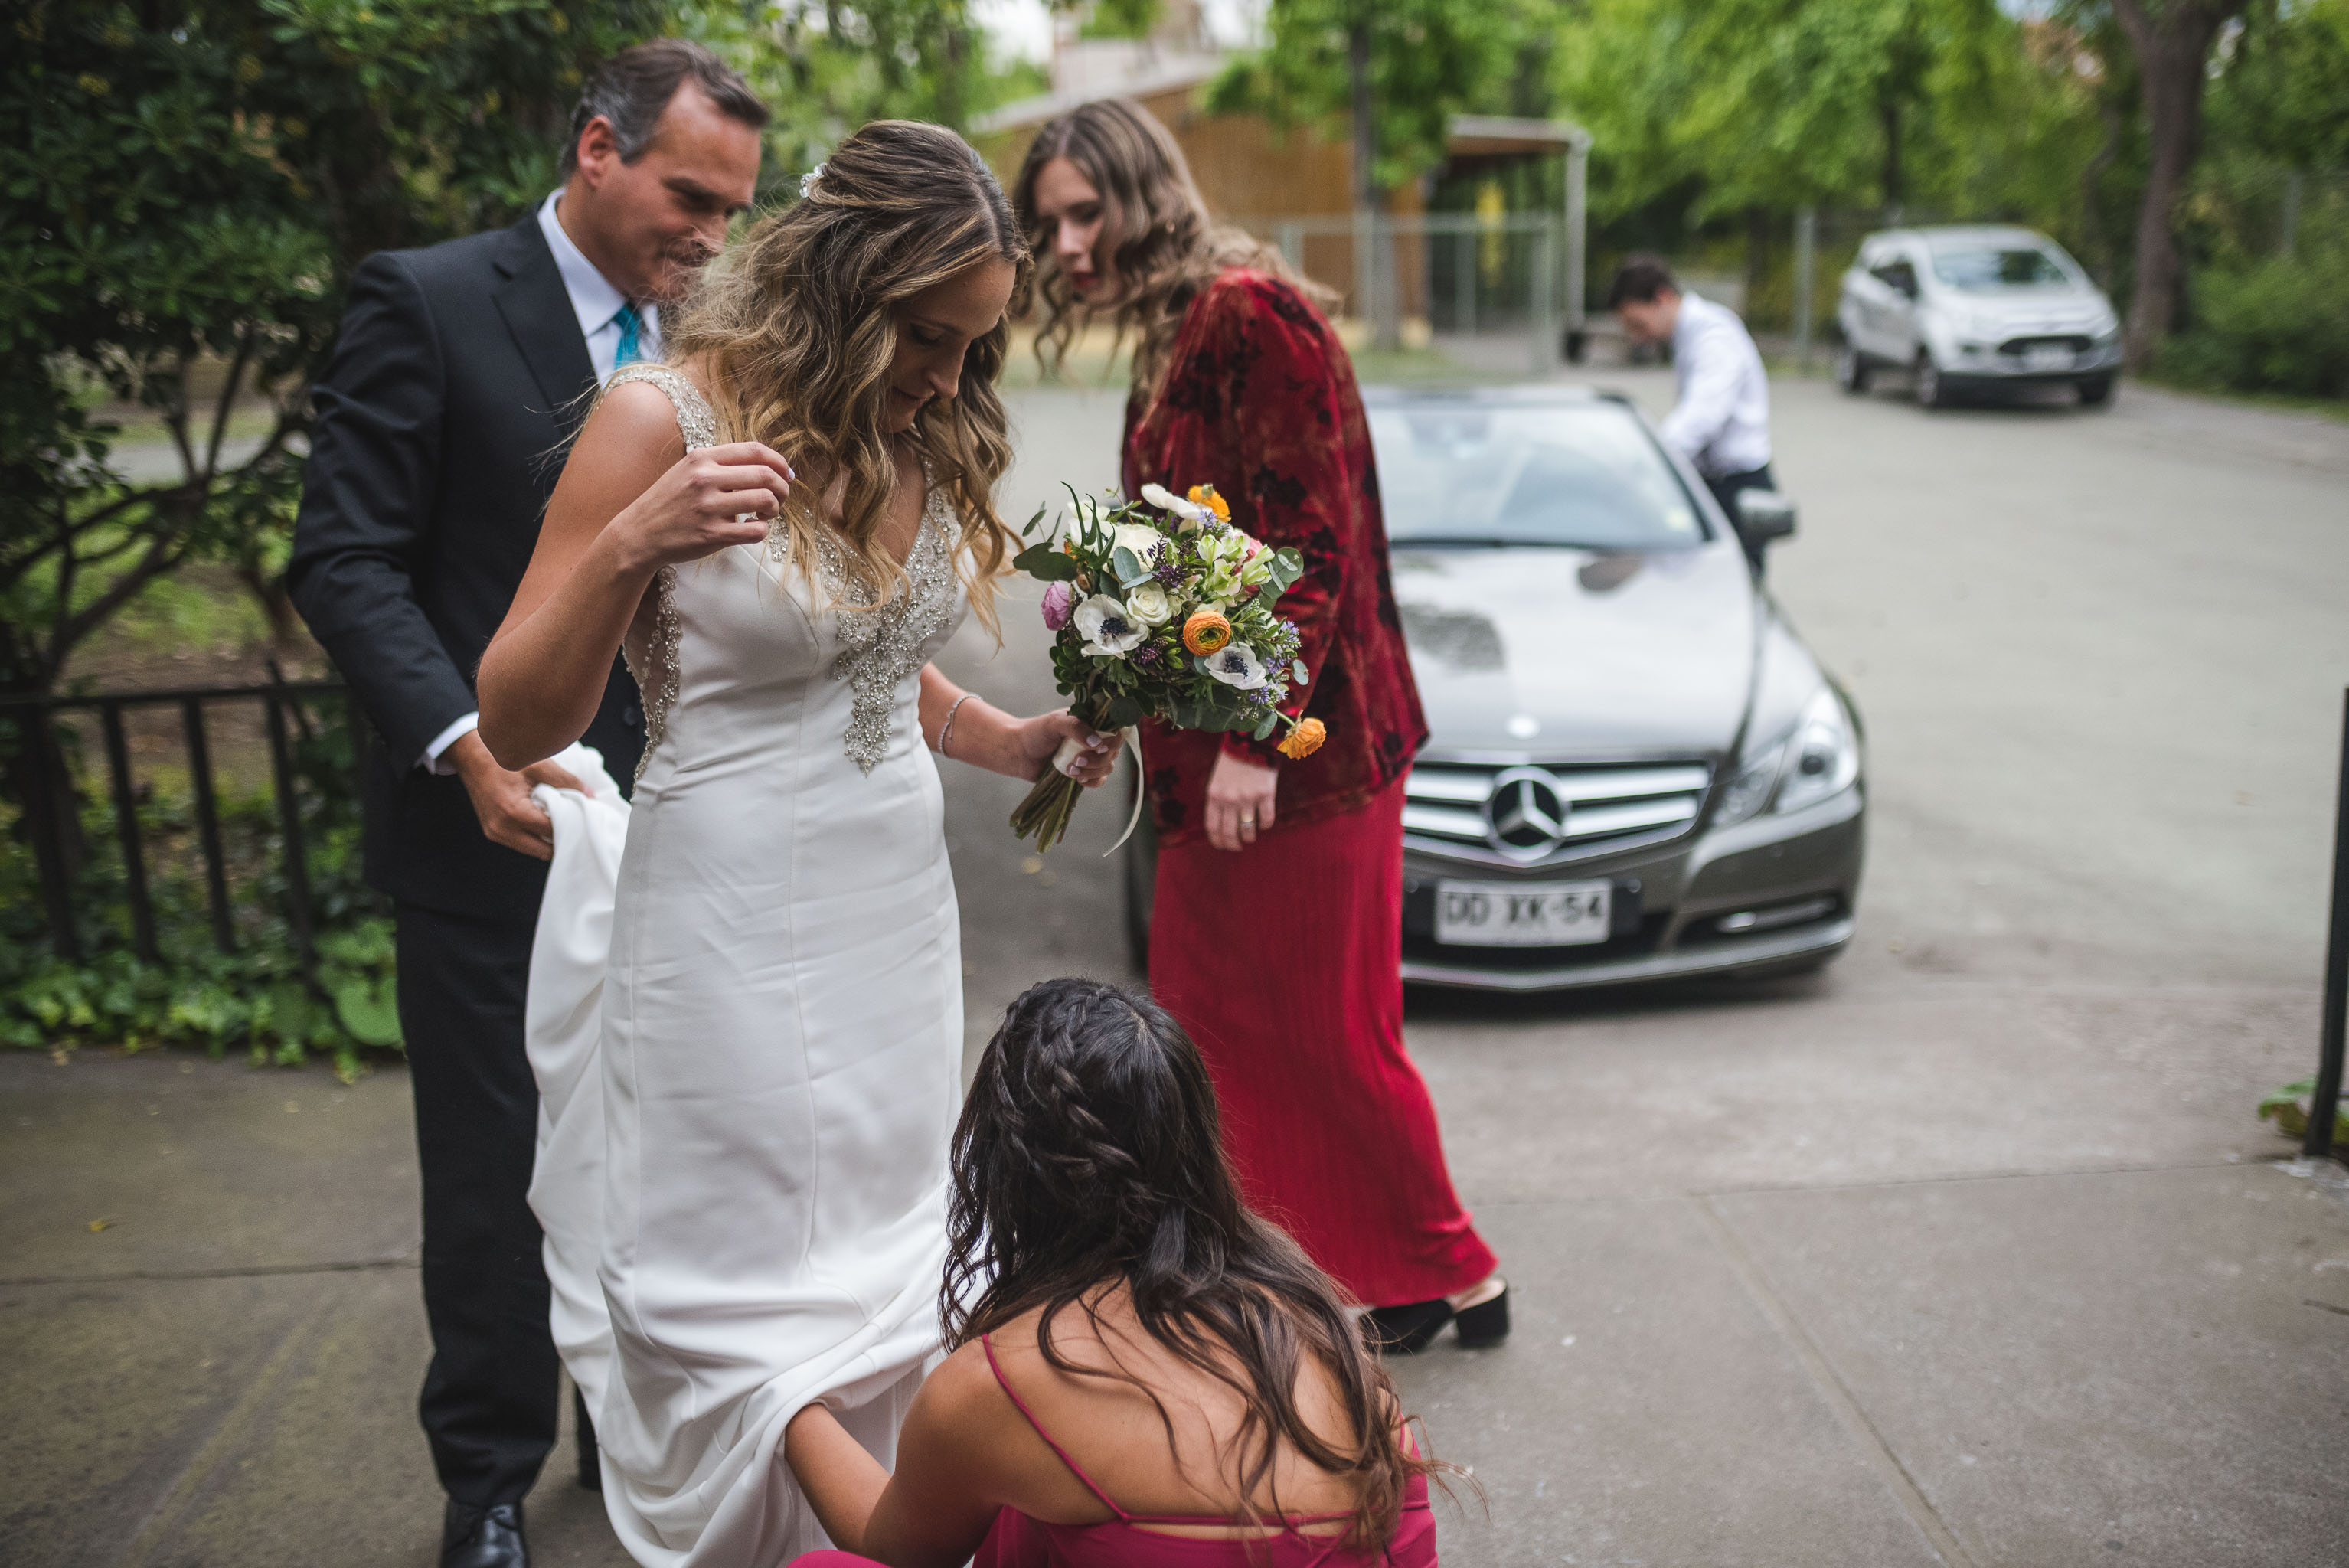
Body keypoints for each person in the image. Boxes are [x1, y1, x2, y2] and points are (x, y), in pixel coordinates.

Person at [471, 120, 1116, 1568]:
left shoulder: (916, 427)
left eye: (971, 345)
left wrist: (1006, 738)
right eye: (927, 336)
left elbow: (868, 660)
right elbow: (513, 713)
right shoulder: (657, 417)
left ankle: (871, 1528)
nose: (950, 377)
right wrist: (635, 539)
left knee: (891, 1247)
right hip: (727, 917)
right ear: (840, 280)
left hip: (893, 909)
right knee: (748, 1276)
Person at [286, 41, 767, 1568]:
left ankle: (624, 1436)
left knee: (663, 1157)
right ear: (595, 152)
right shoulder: (424, 301)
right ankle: (486, 1482)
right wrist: (460, 740)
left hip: (683, 827)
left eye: (733, 209)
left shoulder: (723, 342)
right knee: (494, 1179)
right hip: (488, 833)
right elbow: (346, 559)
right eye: (689, 196)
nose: (708, 235)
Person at [1011, 99, 1506, 1357]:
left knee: (1326, 1030)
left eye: (1086, 210)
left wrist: (1246, 736)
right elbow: (1168, 569)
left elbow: (1303, 538)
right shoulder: (1170, 332)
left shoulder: (1249, 315)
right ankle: (1341, 1273)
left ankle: (1452, 1267)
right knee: (1213, 1020)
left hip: (1302, 762)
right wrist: (1109, 711)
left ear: (1145, 193)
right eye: (1046, 222)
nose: (1067, 243)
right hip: (1215, 760)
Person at [777, 978, 1444, 1568]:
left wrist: (783, 1402)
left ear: (1011, 1171)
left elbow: (894, 1548)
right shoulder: (1294, 1304)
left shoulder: (1007, 1382)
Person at [1609, 253, 1777, 570]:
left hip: (1738, 488)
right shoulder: (1689, 336)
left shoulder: (1714, 337)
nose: (1637, 336)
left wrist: (1651, 464)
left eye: (1638, 324)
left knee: (1734, 590)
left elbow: (1701, 418)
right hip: (1716, 481)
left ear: (1662, 297)